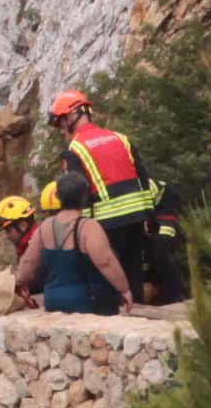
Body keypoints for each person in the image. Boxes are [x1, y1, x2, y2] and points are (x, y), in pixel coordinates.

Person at [48, 87, 181, 304]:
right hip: (137, 217)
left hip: (107, 222)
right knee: (133, 274)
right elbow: (143, 178)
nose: (61, 129)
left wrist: (84, 228)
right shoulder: (120, 138)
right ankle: (138, 320)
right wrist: (148, 215)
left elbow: (80, 192)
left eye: (61, 123)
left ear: (73, 116)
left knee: (106, 275)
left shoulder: (75, 149)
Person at [16, 179, 136, 317]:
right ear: (84, 198)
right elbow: (106, 262)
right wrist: (124, 289)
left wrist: (20, 282)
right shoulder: (88, 227)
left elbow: (29, 262)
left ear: (59, 197)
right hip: (88, 303)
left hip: (53, 301)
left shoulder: (45, 226)